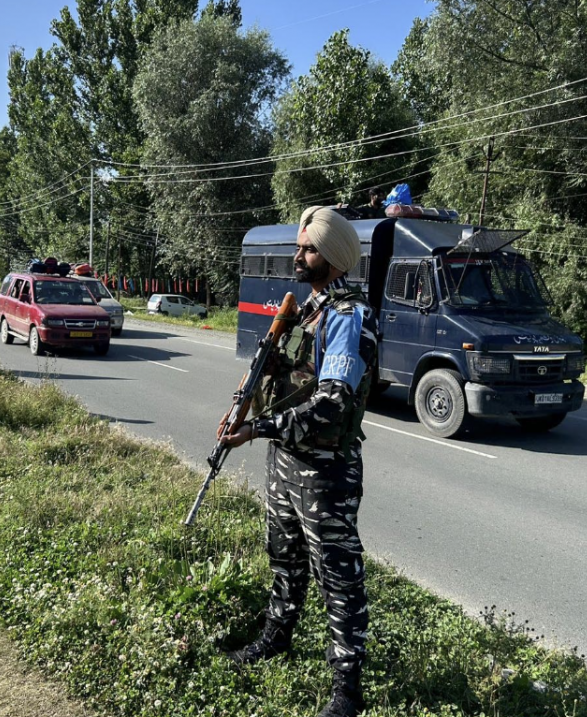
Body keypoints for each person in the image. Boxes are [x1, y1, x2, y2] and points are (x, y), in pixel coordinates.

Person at [220, 206, 378, 717]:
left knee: (337, 575)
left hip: (325, 468)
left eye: (308, 249)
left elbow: (331, 402)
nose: (298, 255)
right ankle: (277, 636)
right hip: (286, 459)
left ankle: (347, 689)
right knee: (284, 555)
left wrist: (258, 428)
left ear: (332, 259)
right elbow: (288, 384)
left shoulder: (348, 318)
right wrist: (249, 405)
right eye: (300, 246)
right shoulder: (310, 309)